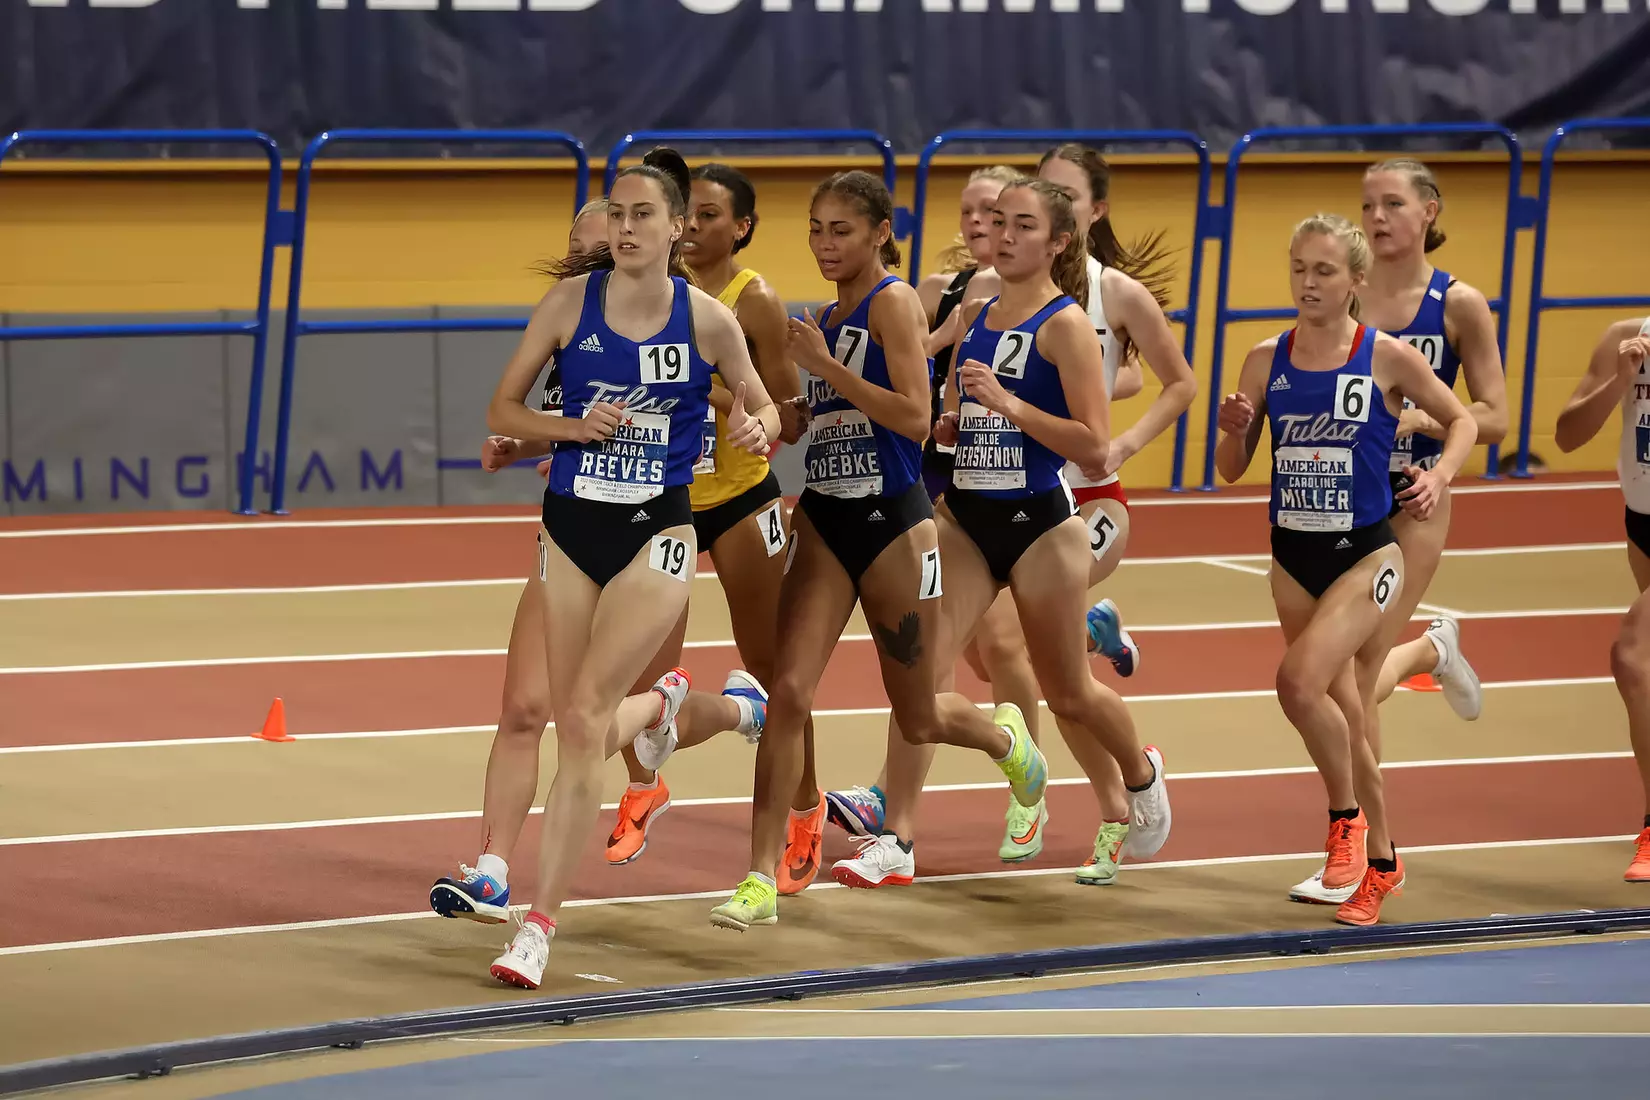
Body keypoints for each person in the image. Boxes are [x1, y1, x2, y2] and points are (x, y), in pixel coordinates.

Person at [827, 144, 1197, 887]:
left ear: (1059, 242)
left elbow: (1092, 444)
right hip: (967, 518)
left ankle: (1139, 770)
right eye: (998, 223)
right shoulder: (977, 312)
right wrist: (954, 423)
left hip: (1040, 524)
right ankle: (896, 839)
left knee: (1068, 692)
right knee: (920, 679)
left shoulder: (1067, 325)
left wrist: (1010, 405)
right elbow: (961, 410)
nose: (1003, 235)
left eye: (1023, 226)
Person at [708, 170, 1050, 931]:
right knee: (787, 693)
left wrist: (826, 367)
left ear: (880, 233)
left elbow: (915, 418)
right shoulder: (825, 316)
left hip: (893, 523)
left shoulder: (893, 303)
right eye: (816, 229)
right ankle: (759, 877)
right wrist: (777, 417)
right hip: (825, 516)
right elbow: (820, 416)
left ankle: (1007, 740)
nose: (825, 244)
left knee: (919, 716)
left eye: (842, 230)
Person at [472, 148, 779, 987]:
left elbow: (762, 407)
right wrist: (572, 428)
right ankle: (672, 703)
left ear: (678, 228)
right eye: (617, 213)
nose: (627, 227)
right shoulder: (569, 305)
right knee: (575, 726)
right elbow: (502, 407)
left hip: (657, 532)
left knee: (581, 720)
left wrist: (756, 429)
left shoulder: (708, 319)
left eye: (644, 214)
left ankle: (538, 926)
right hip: (571, 527)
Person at [1215, 212, 1475, 927]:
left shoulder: (1386, 356)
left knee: (1298, 683)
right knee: (1348, 710)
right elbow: (1231, 468)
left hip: (1365, 554)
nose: (1308, 282)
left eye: (1324, 271)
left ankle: (1354, 828)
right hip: (1292, 554)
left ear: (1356, 280)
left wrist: (1440, 476)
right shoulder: (1265, 359)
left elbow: (1462, 420)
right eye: (1299, 268)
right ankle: (1372, 855)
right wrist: (1234, 432)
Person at [1288, 159, 1501, 905]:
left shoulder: (1456, 304)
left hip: (1412, 501)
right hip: (1338, 502)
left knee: (1348, 678)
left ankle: (1367, 853)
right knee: (1344, 680)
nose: (1377, 217)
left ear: (1429, 211)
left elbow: (1493, 413)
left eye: (1393, 204)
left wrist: (1418, 425)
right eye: (1367, 205)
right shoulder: (1340, 296)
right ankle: (1431, 651)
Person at [676, 163, 827, 893]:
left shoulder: (755, 299)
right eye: (686, 212)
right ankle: (645, 783)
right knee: (639, 665)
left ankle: (806, 803)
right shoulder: (652, 287)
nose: (692, 226)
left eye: (708, 215)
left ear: (741, 227)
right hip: (667, 496)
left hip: (741, 499)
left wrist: (723, 399)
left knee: (775, 665)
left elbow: (791, 419)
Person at [1554, 316, 1650, 883]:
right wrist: (1621, 379)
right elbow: (1567, 436)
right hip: (1642, 519)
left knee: (1634, 657)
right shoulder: (1627, 338)